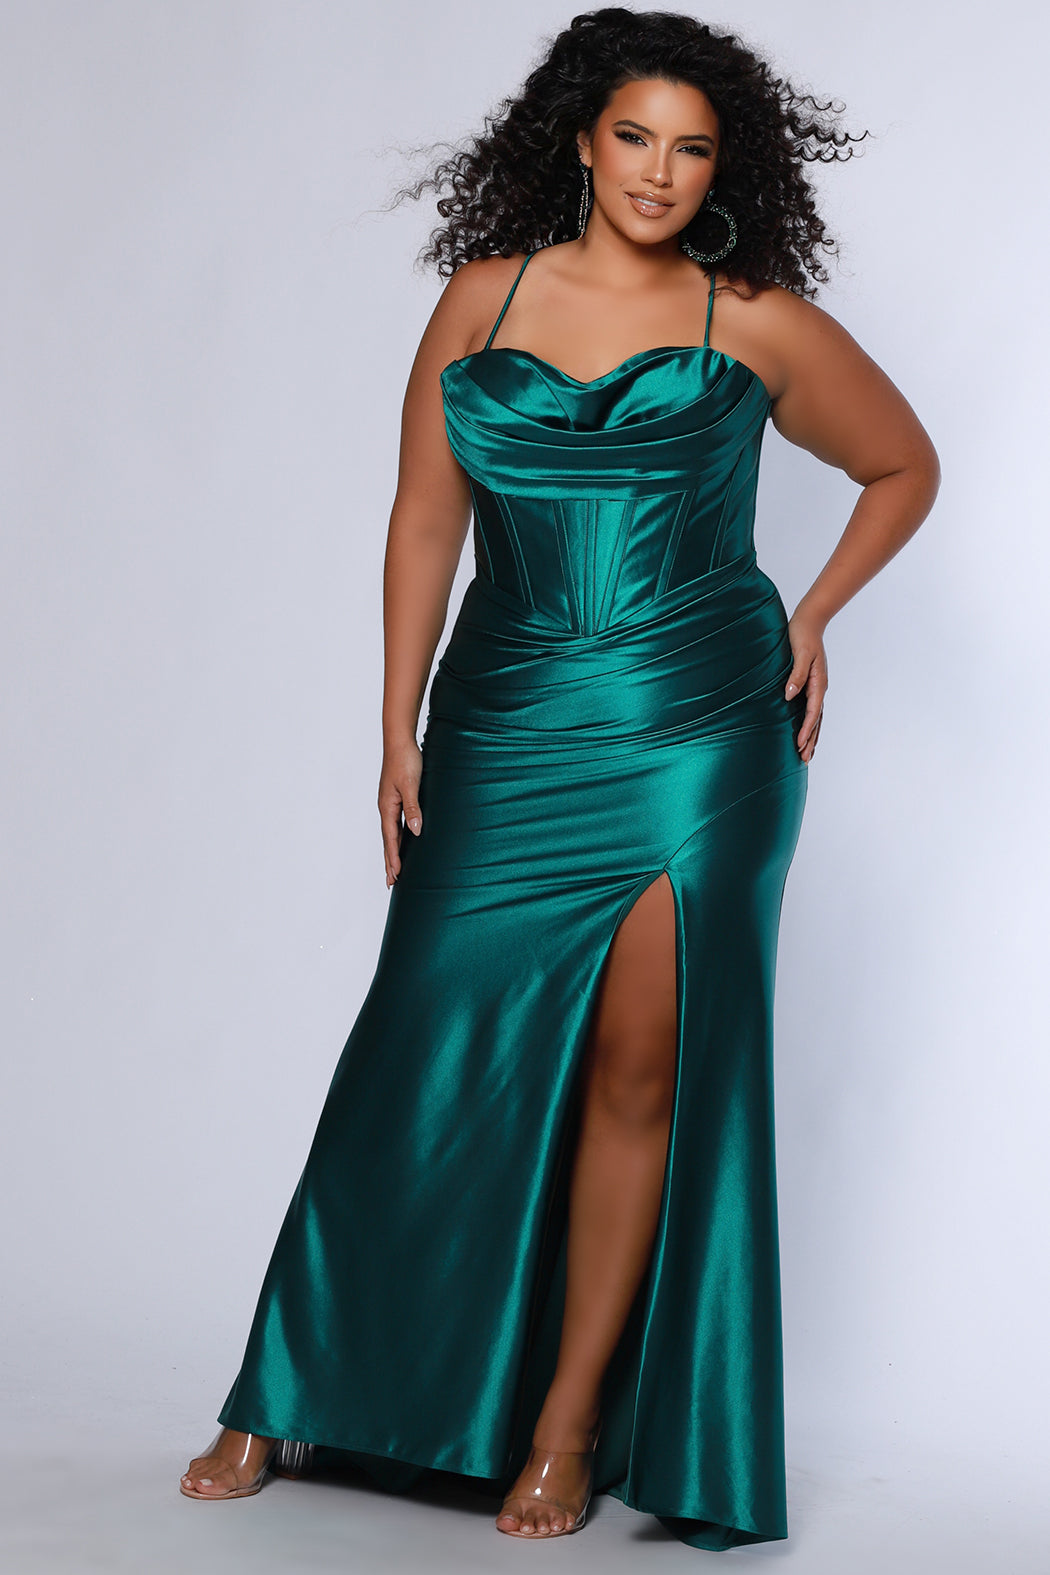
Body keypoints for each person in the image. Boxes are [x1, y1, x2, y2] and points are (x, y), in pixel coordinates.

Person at [179, 7, 939, 1552]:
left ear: (725, 167)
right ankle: (285, 1385)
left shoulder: (754, 319)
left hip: (696, 733)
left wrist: (807, 616)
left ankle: (564, 1425)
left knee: (641, 1071)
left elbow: (901, 464)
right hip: (506, 719)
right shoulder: (487, 294)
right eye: (633, 136)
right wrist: (395, 724)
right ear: (580, 141)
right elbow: (422, 518)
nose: (657, 171)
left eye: (690, 148)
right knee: (418, 1040)